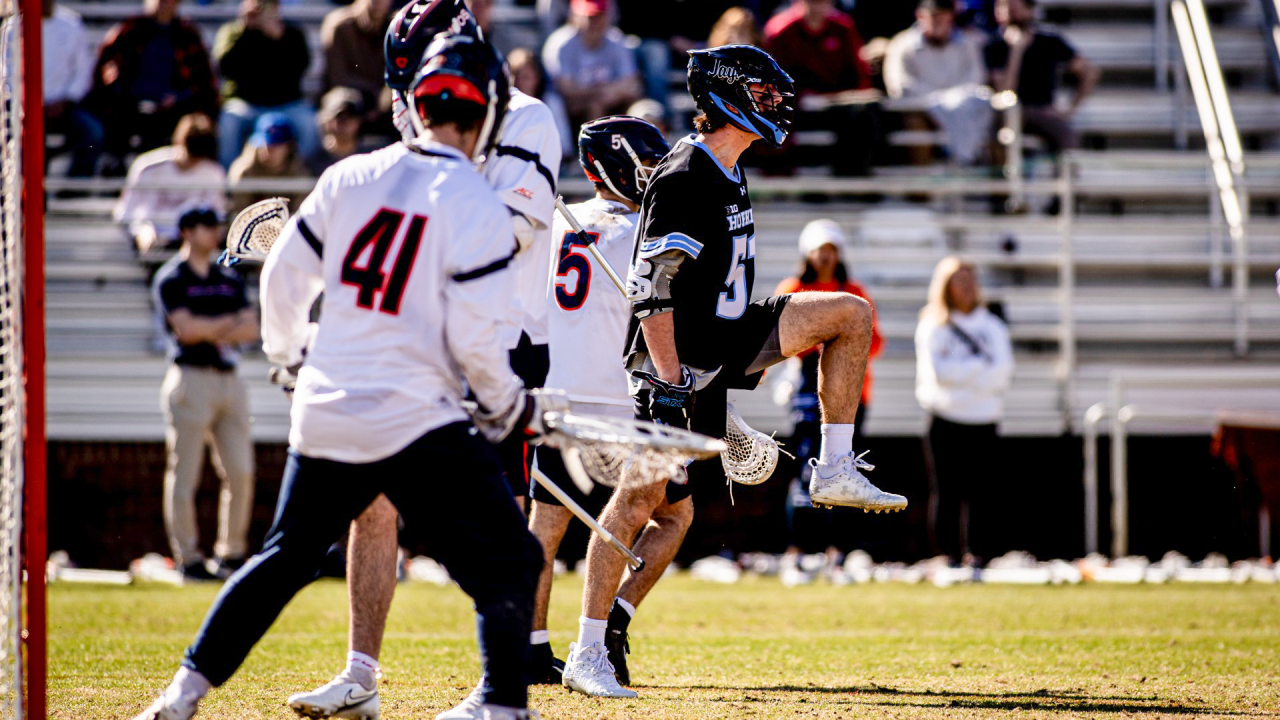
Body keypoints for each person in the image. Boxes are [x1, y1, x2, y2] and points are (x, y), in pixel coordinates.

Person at [130, 34, 548, 720]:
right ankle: (504, 707)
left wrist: (291, 358)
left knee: (284, 556)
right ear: (485, 118)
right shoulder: (473, 197)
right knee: (509, 560)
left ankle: (180, 696)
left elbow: (284, 280)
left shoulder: (348, 175)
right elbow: (476, 337)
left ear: (413, 105)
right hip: (415, 412)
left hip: (329, 406)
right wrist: (507, 407)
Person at [567, 44, 905, 698]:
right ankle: (587, 649)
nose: (776, 102)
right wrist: (670, 384)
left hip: (724, 339)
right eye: (763, 91)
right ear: (727, 95)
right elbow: (653, 291)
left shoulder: (728, 166)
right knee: (638, 502)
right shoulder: (687, 172)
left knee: (850, 315)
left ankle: (834, 467)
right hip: (678, 363)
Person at [288, 4, 564, 718]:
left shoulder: (529, 118)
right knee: (370, 504)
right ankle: (359, 676)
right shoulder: (422, 123)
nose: (416, 105)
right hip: (424, 345)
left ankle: (498, 690)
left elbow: (514, 234)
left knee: (494, 521)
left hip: (498, 342)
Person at [525, 117, 670, 699]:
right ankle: (606, 626)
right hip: (621, 399)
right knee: (671, 517)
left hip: (559, 394)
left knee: (548, 523)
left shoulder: (555, 226)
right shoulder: (646, 230)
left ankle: (530, 646)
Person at [150, 205, 259, 582]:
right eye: (208, 226)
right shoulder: (171, 278)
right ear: (187, 231)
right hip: (190, 379)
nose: (216, 233)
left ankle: (231, 554)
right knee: (186, 474)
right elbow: (186, 330)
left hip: (229, 379)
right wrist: (226, 326)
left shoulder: (228, 277)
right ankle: (189, 558)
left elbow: (251, 329)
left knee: (241, 471)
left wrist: (210, 327)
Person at [773, 219, 882, 586]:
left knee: (845, 471)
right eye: (820, 248)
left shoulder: (853, 292)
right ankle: (798, 553)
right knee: (807, 470)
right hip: (807, 396)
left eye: (831, 248)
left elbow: (873, 341)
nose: (825, 256)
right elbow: (780, 337)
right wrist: (826, 342)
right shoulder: (794, 289)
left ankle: (839, 554)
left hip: (851, 396)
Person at [915, 257, 1013, 565]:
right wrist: (978, 369)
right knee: (945, 491)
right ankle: (947, 556)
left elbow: (1003, 373)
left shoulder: (992, 325)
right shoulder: (933, 324)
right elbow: (939, 373)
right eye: (959, 280)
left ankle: (978, 554)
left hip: (984, 418)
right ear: (945, 286)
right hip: (944, 418)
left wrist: (963, 373)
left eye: (971, 280)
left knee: (982, 492)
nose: (967, 287)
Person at [88, 0, 219, 162]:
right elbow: (108, 72)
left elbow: (202, 82)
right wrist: (132, 95)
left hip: (175, 109)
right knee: (114, 120)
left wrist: (177, 98)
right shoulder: (129, 29)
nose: (164, 3)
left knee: (194, 127)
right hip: (130, 107)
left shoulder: (188, 33)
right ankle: (115, 173)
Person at [764, 0, 878, 175]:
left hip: (837, 105)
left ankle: (853, 181)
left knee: (865, 113)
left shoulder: (844, 28)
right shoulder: (780, 31)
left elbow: (859, 75)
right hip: (794, 107)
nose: (818, 5)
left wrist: (847, 95)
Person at [883, 0, 992, 166]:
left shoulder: (968, 44)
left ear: (951, 17)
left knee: (992, 115)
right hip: (920, 112)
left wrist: (950, 102)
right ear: (920, 15)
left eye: (942, 16)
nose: (937, 21)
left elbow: (976, 80)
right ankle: (922, 188)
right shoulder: (901, 44)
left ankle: (981, 181)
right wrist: (936, 102)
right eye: (932, 16)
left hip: (963, 113)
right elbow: (899, 85)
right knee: (915, 123)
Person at [983, 0, 1098, 155]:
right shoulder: (993, 45)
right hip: (1009, 112)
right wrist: (1016, 52)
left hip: (1043, 111)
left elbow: (1089, 72)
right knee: (1003, 135)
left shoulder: (1048, 40)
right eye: (1005, 7)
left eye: (1016, 7)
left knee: (1068, 139)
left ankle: (1065, 177)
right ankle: (1004, 176)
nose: (1011, 12)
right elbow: (1005, 90)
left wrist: (1069, 109)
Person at [213, 0, 316, 168]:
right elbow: (223, 67)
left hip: (287, 104)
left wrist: (280, 38)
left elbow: (302, 66)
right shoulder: (232, 31)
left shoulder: (292, 32)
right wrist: (245, 30)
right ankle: (229, 182)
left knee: (309, 123)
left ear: (277, 7)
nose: (264, 10)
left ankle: (301, 176)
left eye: (269, 5)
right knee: (229, 122)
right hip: (246, 104)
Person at [114, 113, 226, 256]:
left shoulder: (214, 173)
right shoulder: (148, 167)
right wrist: (140, 230)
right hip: (156, 242)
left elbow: (217, 215)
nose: (192, 162)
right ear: (179, 142)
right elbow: (125, 212)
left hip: (194, 243)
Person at [541, 0, 643, 128]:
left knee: (639, 104)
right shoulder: (561, 43)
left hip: (609, 98)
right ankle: (593, 146)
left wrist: (609, 93)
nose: (596, 22)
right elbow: (567, 89)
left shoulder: (616, 39)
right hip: (569, 106)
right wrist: (603, 92)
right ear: (576, 16)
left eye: (601, 16)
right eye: (591, 17)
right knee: (595, 105)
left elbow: (631, 82)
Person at [41, 0, 103, 179]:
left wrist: (67, 99)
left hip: (65, 107)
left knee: (93, 133)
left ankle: (75, 190)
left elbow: (83, 71)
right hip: (23, 110)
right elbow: (7, 72)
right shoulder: (13, 26)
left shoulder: (71, 23)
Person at [321, 0, 394, 124]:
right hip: (349, 96)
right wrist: (373, 98)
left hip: (384, 99)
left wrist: (383, 99)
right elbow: (338, 77)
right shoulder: (340, 25)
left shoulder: (396, 25)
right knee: (342, 107)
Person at [227, 113, 308, 218]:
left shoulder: (299, 173)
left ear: (289, 147)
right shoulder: (244, 171)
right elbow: (239, 214)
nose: (267, 150)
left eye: (275, 145)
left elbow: (300, 216)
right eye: (263, 144)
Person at [508, 47, 573, 158]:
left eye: (526, 77)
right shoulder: (503, 106)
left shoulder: (551, 103)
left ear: (537, 78)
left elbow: (564, 146)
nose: (521, 82)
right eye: (517, 77)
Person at [305, 88, 366, 176]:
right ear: (325, 120)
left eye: (351, 115)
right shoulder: (311, 163)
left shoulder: (373, 155)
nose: (346, 123)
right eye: (339, 117)